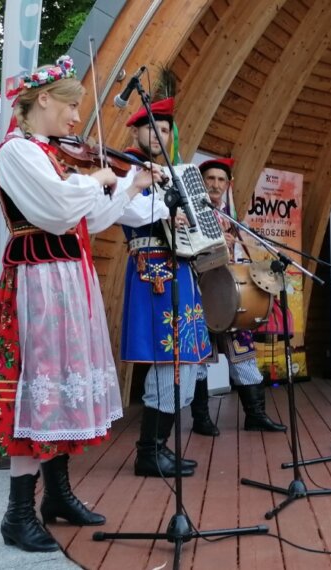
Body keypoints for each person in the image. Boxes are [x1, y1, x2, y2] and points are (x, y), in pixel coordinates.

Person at [0, 56, 160, 553]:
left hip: (67, 282)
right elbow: (56, 210)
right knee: (39, 389)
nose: (78, 119)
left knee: (60, 388)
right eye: (73, 106)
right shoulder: (17, 151)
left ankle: (56, 494)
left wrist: (128, 188)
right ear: (45, 100)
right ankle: (17, 513)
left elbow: (89, 220)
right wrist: (95, 179)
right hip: (38, 285)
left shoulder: (52, 155)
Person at [116, 97, 209, 478]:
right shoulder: (127, 167)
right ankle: (148, 452)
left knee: (185, 359)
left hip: (182, 270)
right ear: (136, 131)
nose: (159, 135)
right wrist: (174, 211)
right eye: (151, 127)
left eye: (166, 129)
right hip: (151, 271)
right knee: (165, 358)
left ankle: (160, 447)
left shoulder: (174, 172)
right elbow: (129, 210)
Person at [189, 158, 286, 437]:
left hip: (230, 298)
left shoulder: (229, 218)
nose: (215, 185)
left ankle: (255, 415)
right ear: (201, 182)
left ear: (228, 185)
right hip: (200, 296)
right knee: (200, 363)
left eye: (221, 180)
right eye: (210, 179)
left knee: (244, 358)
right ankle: (201, 419)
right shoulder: (190, 214)